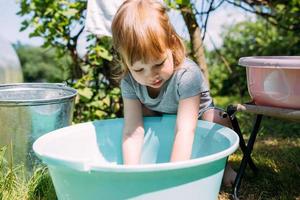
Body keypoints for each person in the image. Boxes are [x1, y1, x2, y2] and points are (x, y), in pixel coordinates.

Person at [111, 0, 236, 186]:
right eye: (139, 69)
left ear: (172, 43)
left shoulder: (186, 75)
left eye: (159, 63)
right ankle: (154, 160)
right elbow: (132, 131)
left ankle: (219, 166)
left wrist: (173, 179)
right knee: (139, 116)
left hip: (198, 121)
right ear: (125, 61)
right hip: (162, 118)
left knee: (217, 119)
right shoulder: (129, 82)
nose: (151, 75)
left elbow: (185, 129)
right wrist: (131, 174)